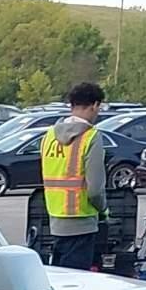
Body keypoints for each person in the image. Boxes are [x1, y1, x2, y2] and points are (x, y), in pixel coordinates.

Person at [38, 82, 108, 271]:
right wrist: (104, 210)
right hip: (82, 220)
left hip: (55, 218)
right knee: (77, 281)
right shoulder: (91, 136)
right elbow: (95, 190)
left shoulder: (49, 135)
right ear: (94, 105)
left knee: (61, 278)